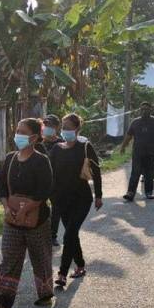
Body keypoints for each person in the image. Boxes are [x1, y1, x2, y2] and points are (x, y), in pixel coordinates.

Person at [0, 118, 54, 308]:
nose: (17, 134)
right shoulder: (10, 159)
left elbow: (45, 190)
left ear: (34, 137)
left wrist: (26, 209)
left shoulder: (41, 160)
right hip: (12, 219)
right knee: (9, 259)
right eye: (17, 130)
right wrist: (6, 207)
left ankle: (45, 293)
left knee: (40, 257)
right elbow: (2, 187)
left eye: (22, 131)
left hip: (37, 219)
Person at [50, 114, 103, 287]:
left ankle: (62, 273)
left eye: (68, 127)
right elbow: (48, 173)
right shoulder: (56, 149)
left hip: (82, 199)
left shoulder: (85, 147)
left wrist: (99, 196)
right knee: (72, 235)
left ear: (77, 129)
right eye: (63, 127)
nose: (65, 130)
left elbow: (96, 172)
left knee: (69, 234)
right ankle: (80, 265)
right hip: (61, 200)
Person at [122, 102, 154, 201]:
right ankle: (130, 193)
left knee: (149, 173)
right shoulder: (135, 122)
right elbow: (129, 136)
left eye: (146, 109)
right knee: (135, 172)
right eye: (142, 109)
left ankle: (149, 192)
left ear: (150, 110)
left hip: (150, 152)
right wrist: (123, 146)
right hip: (137, 152)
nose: (144, 111)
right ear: (140, 110)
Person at [41, 114, 64, 247]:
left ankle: (52, 236)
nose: (47, 128)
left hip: (56, 182)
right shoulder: (39, 143)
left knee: (56, 210)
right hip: (41, 182)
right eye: (46, 125)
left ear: (57, 127)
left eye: (50, 126)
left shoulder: (61, 144)